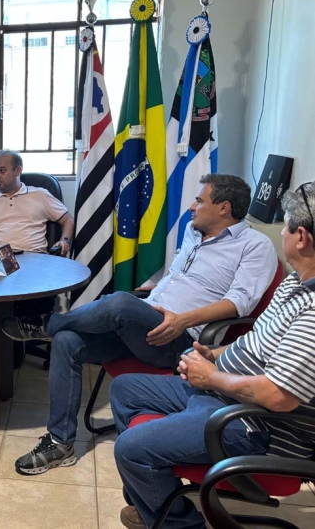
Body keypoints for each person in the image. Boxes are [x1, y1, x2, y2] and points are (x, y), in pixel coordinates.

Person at [1, 174, 278, 475]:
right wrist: (145, 306)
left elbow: (240, 303)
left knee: (119, 302)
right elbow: (175, 279)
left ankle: (47, 324)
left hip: (182, 339)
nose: (191, 208)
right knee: (68, 341)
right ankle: (60, 442)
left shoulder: (255, 245)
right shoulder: (193, 232)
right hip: (146, 325)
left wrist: (181, 320)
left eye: (200, 200)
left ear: (224, 208)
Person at [110, 182, 315, 529]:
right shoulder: (295, 282)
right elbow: (257, 339)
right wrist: (215, 353)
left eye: (284, 226)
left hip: (253, 423)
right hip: (222, 394)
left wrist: (212, 377)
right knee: (125, 389)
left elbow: (278, 397)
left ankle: (178, 522)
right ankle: (156, 504)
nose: (279, 232)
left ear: (302, 238)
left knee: (130, 448)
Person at [0, 150, 75, 255]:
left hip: (34, 257)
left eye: (2, 171)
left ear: (18, 171)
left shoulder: (40, 195)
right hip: (1, 258)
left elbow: (68, 220)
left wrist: (64, 241)